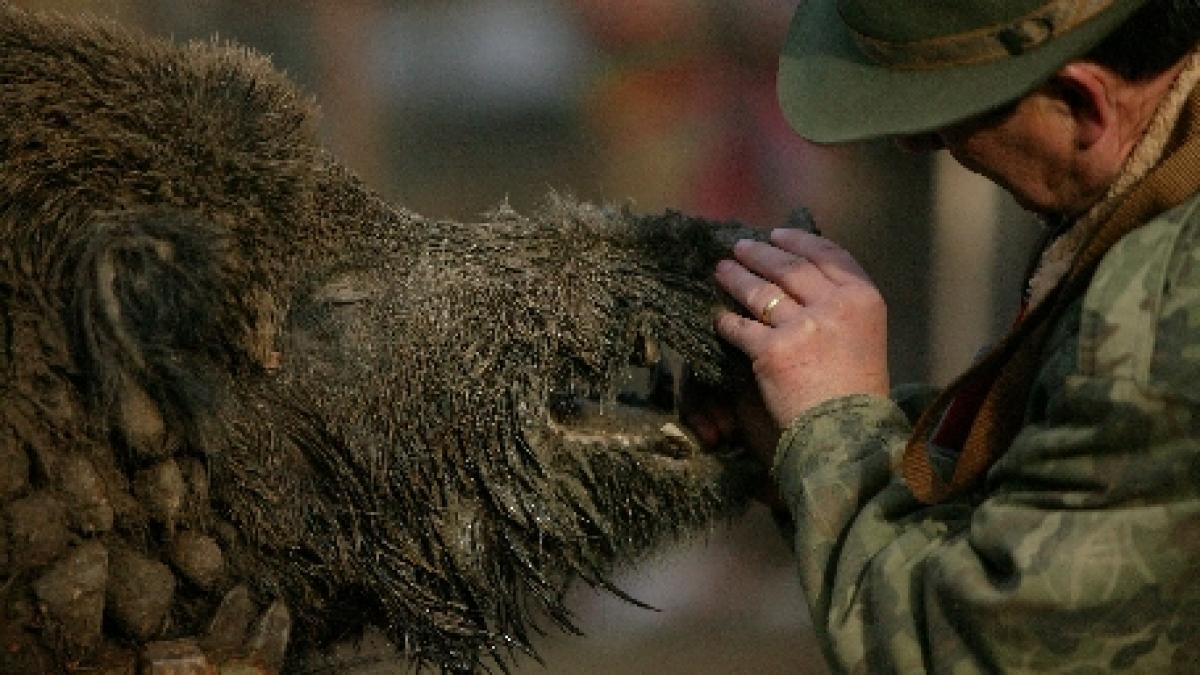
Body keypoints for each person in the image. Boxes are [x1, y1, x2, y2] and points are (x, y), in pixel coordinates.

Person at [691, 0, 1200, 670]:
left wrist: (832, 426)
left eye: (952, 112)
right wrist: (799, 446)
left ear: (1083, 105)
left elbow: (977, 649)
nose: (917, 142)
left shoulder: (1160, 309)